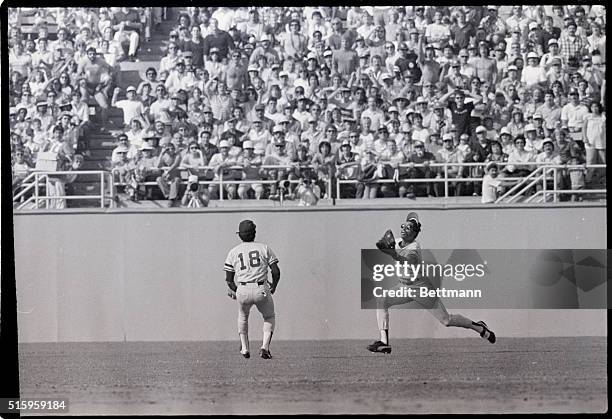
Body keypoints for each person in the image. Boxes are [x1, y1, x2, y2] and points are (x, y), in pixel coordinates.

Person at [367, 212, 496, 354]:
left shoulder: (414, 247)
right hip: (403, 286)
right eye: (403, 226)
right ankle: (384, 342)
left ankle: (479, 327)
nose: (404, 229)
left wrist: (394, 255)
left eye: (409, 228)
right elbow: (382, 245)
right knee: (382, 300)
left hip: (421, 288)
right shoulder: (397, 242)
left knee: (447, 321)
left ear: (414, 233)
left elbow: (409, 260)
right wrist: (383, 246)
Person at [224, 220, 281, 359]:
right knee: (269, 316)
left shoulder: (233, 251)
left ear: (240, 235)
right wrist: (274, 285)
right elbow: (276, 271)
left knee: (243, 317)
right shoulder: (264, 248)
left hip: (243, 287)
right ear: (254, 233)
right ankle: (265, 347)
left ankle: (244, 348)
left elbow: (229, 279)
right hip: (261, 287)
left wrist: (237, 290)